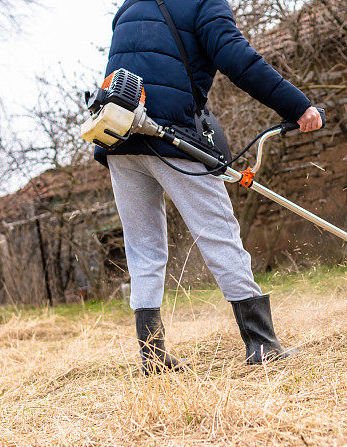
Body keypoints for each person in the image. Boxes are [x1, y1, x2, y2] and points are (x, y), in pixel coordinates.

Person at [99, 0, 323, 376]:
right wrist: (297, 106)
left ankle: (152, 357)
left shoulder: (129, 6)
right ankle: (262, 344)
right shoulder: (204, 2)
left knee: (143, 248)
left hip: (118, 138)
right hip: (171, 137)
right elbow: (239, 60)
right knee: (219, 235)